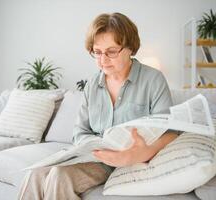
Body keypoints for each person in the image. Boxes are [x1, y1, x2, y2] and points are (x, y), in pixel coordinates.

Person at [17, 12, 178, 200]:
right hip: (95, 158)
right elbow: (80, 131)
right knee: (34, 174)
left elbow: (170, 132)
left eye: (111, 51)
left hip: (128, 161)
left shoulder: (153, 79)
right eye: (97, 52)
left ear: (130, 48)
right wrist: (92, 148)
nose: (103, 60)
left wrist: (139, 153)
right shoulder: (93, 84)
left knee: (60, 177)